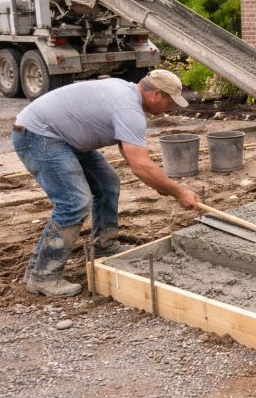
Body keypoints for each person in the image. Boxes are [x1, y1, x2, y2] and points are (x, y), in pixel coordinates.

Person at [13, 70, 200, 297]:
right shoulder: (128, 108)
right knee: (74, 203)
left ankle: (104, 243)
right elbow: (140, 165)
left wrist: (162, 186)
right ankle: (43, 276)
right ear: (156, 94)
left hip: (63, 138)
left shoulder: (127, 94)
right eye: (169, 101)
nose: (170, 108)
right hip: (39, 136)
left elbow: (129, 150)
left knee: (107, 182)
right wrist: (179, 192)